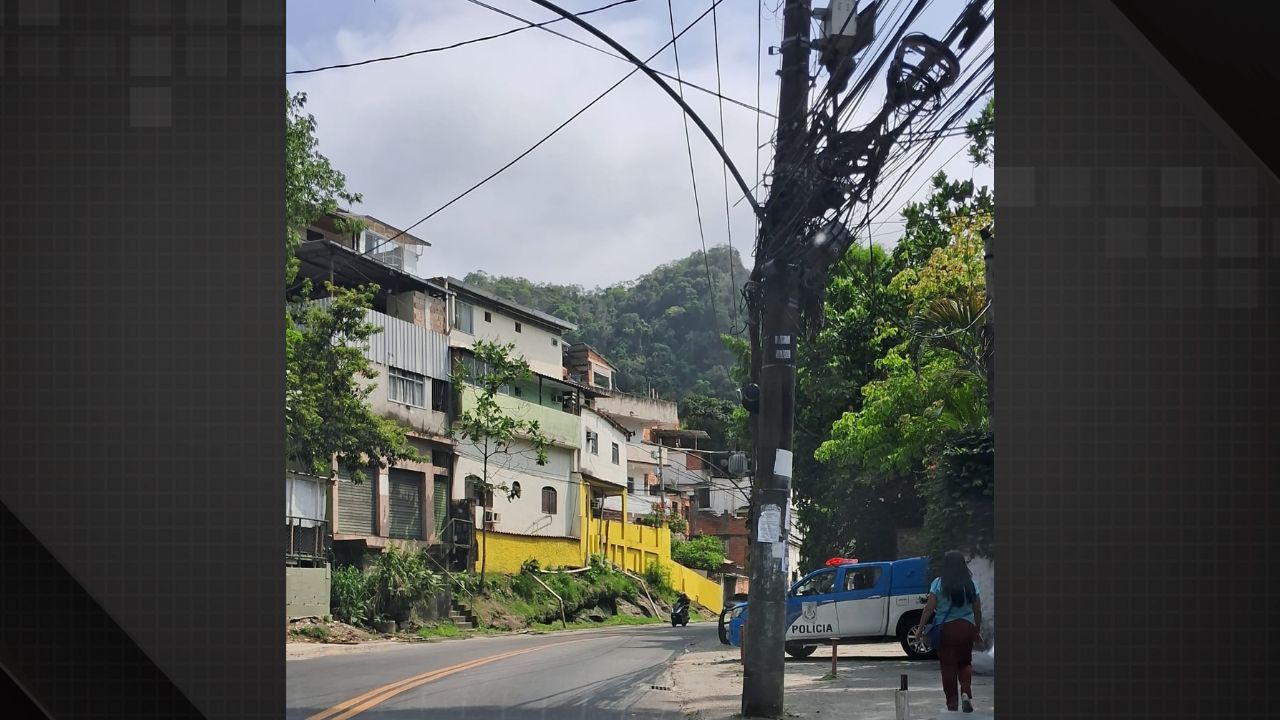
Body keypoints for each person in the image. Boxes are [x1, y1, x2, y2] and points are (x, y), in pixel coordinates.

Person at [916, 551, 984, 713]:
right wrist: (976, 630)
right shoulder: (971, 585)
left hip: (946, 630)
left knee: (948, 666)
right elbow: (978, 610)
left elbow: (929, 608)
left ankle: (952, 703)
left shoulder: (938, 584)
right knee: (964, 663)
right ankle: (966, 692)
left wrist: (920, 629)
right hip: (966, 628)